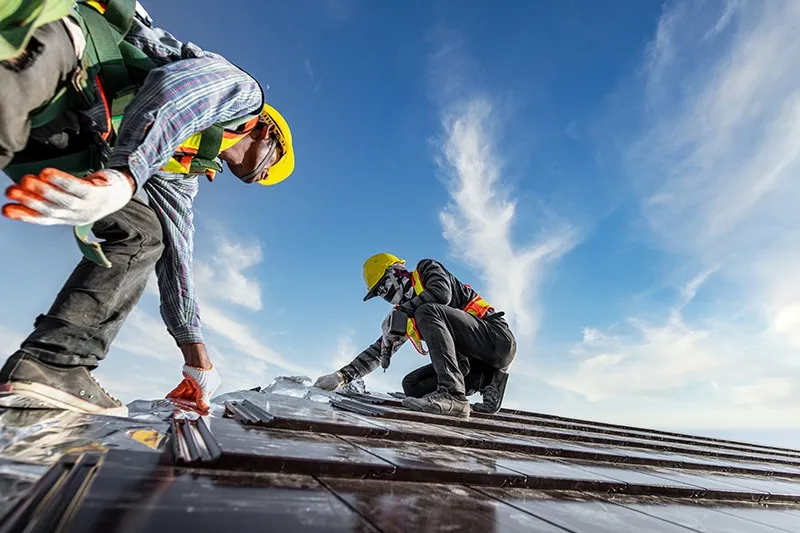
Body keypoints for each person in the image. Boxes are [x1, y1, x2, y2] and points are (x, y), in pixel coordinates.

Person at [0, 0, 295, 417]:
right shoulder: (243, 95)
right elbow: (176, 93)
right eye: (266, 167)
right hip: (60, 50)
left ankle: (53, 364)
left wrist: (197, 358)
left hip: (65, 125)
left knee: (143, 234)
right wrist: (125, 175)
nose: (258, 177)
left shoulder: (181, 169)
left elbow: (177, 259)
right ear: (267, 133)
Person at [314, 253, 516, 418]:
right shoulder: (407, 313)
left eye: (383, 287)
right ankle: (487, 380)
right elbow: (380, 349)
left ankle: (453, 396)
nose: (385, 296)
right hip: (473, 363)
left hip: (497, 339)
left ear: (397, 273)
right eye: (380, 294)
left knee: (427, 311)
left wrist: (400, 313)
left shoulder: (426, 268)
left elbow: (441, 294)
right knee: (412, 386)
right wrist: (342, 376)